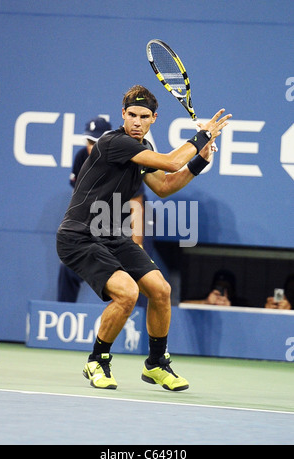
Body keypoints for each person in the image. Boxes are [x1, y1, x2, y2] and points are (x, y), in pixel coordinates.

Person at [56, 84, 232, 391]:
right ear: (122, 114)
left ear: (154, 118)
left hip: (111, 233)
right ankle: (97, 360)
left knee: (160, 290)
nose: (137, 121)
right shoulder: (115, 142)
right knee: (126, 293)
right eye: (132, 115)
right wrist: (202, 136)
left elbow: (165, 186)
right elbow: (171, 161)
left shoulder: (142, 146)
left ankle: (155, 364)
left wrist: (201, 158)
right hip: (79, 236)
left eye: (144, 116)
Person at [57, 116, 112, 302]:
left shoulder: (120, 160)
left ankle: (138, 327)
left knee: (140, 275)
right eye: (89, 141)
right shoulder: (82, 157)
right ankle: (63, 312)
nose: (91, 147)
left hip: (121, 225)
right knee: (68, 267)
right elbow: (80, 202)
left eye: (96, 142)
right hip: (92, 224)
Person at [183, 269, 248, 307]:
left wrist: (230, 309)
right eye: (219, 286)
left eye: (226, 287)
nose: (222, 290)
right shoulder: (209, 298)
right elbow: (182, 305)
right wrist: (205, 302)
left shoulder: (239, 303)